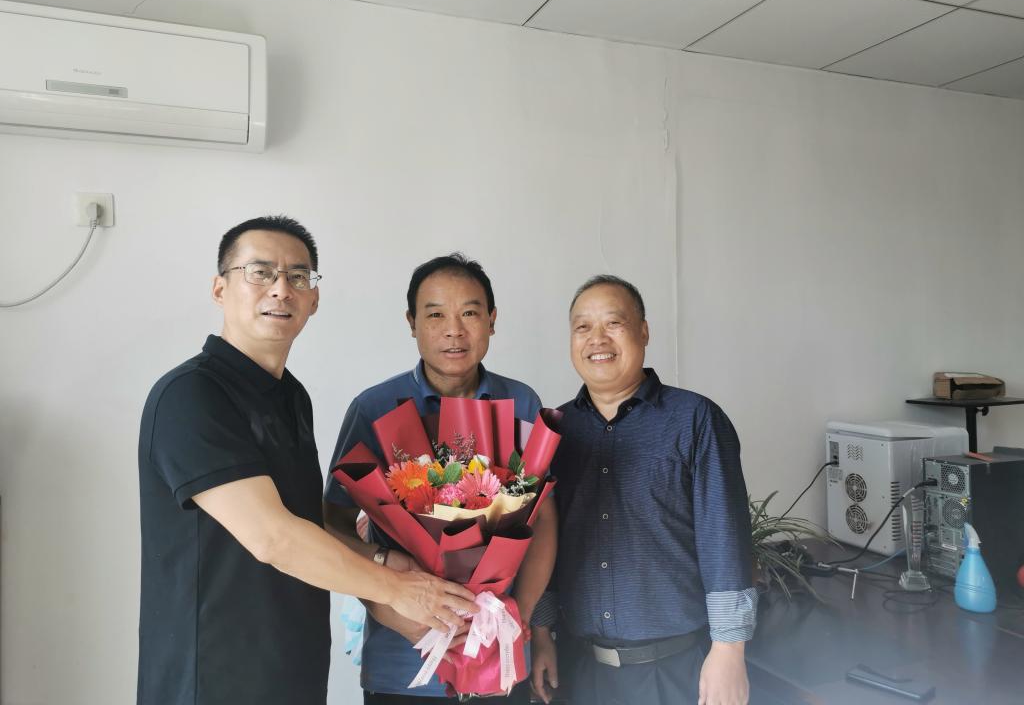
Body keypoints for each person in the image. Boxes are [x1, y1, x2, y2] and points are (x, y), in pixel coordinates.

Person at [137, 217, 476, 705]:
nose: (281, 289)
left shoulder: (291, 398)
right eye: (260, 272)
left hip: (292, 669)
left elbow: (305, 520)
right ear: (219, 288)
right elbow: (273, 537)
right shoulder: (191, 395)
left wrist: (380, 558)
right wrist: (398, 591)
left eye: (298, 277)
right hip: (213, 675)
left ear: (314, 298)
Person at [324, 253, 557, 704]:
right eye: (435, 315)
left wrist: (517, 615)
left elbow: (542, 517)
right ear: (411, 323)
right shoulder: (374, 408)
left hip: (502, 655)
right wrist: (392, 604)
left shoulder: (522, 401)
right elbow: (332, 523)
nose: (454, 330)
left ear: (492, 320)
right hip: (404, 661)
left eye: (469, 313)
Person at [531, 275, 756, 705]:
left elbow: (724, 538)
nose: (597, 339)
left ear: (644, 331)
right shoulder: (555, 430)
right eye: (582, 327)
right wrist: (541, 634)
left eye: (613, 323)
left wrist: (729, 650)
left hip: (673, 671)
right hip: (579, 669)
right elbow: (544, 542)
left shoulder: (696, 419)